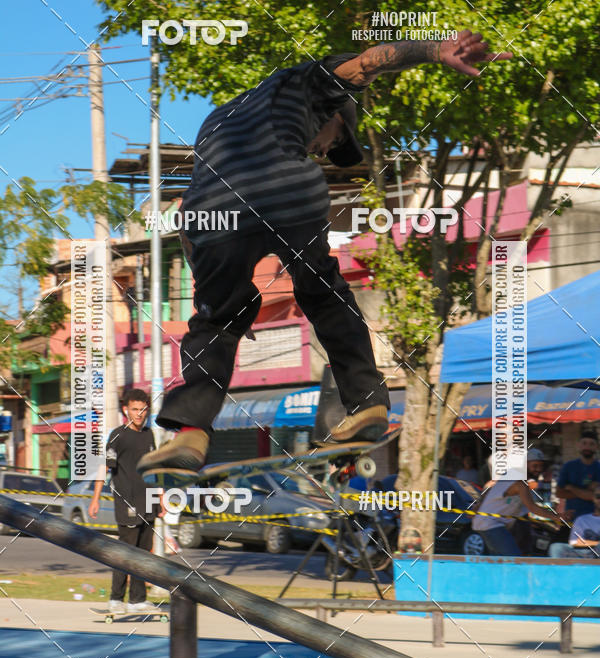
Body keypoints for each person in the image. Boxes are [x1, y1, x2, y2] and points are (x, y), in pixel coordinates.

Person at [137, 30, 511, 481]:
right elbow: (370, 61)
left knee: (213, 324)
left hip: (210, 213)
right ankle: (367, 404)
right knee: (325, 294)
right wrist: (435, 50)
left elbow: (190, 225)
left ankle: (190, 433)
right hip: (285, 190)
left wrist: (221, 301)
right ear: (333, 112)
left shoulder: (215, 121)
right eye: (335, 141)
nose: (325, 150)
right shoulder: (304, 83)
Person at [89, 389, 157, 613]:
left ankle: (137, 600)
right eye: (135, 409)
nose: (139, 414)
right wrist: (95, 498)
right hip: (127, 501)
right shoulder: (118, 435)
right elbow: (105, 467)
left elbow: (155, 468)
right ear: (126, 410)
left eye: (143, 409)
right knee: (125, 552)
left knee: (143, 553)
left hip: (148, 500)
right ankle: (115, 599)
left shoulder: (149, 435)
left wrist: (161, 498)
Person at [472, 448, 562, 556]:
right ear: (525, 464)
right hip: (490, 524)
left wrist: (480, 504)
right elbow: (532, 507)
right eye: (535, 465)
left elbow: (492, 489)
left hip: (496, 523)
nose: (538, 469)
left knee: (503, 560)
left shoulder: (521, 480)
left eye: (541, 466)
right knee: (513, 559)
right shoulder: (519, 482)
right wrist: (557, 517)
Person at [556, 431, 600, 521]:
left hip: (595, 520)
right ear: (578, 445)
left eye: (591, 444)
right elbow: (559, 493)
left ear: (597, 447)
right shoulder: (568, 466)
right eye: (584, 443)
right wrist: (586, 492)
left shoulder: (598, 467)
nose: (587, 447)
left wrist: (571, 487)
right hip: (571, 518)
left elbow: (594, 496)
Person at [549, 486, 600, 559]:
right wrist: (597, 543)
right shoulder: (582, 519)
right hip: (585, 554)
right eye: (598, 496)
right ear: (593, 499)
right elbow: (574, 542)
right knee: (556, 547)